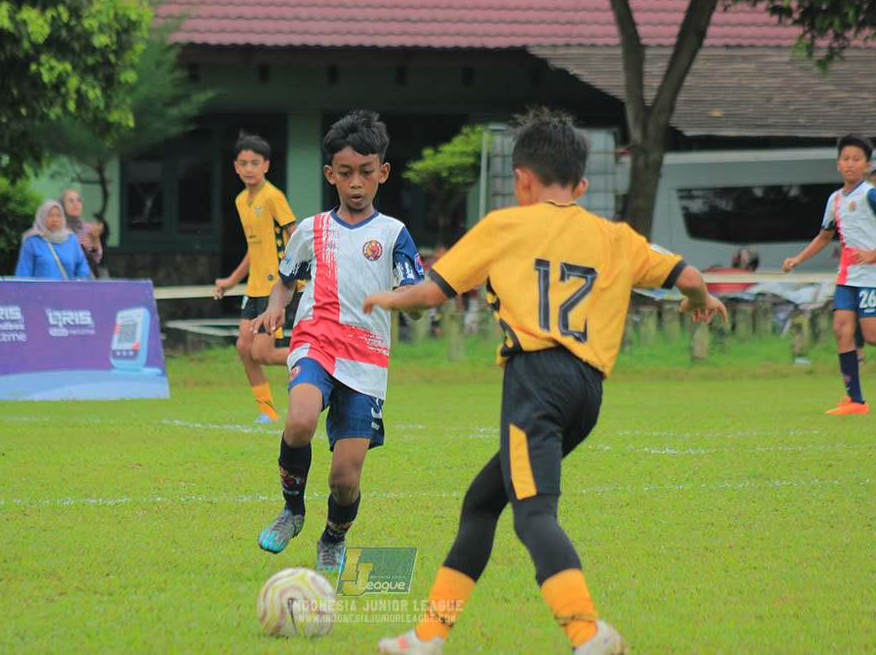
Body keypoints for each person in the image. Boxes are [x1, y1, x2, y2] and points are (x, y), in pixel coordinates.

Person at [363, 107, 727, 655]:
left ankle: (588, 633)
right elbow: (691, 277)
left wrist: (386, 298)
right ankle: (428, 636)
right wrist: (699, 302)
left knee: (534, 515)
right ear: (580, 184)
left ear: (521, 180)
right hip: (587, 392)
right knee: (482, 503)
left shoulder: (504, 225)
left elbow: (430, 294)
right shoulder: (614, 235)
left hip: (535, 382)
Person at [252, 110, 425, 573]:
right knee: (300, 420)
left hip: (367, 361)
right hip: (316, 342)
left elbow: (415, 291)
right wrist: (276, 306)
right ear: (330, 174)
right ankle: (292, 511)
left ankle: (333, 535)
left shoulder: (393, 235)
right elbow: (285, 279)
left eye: (366, 173)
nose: (356, 183)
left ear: (382, 174)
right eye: (345, 173)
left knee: (345, 478)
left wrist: (407, 299)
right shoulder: (310, 230)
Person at [784, 134, 876, 415]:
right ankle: (856, 401)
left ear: (867, 165)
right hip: (847, 278)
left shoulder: (870, 195)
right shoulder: (835, 199)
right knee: (841, 331)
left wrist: (873, 254)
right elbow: (825, 237)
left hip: (872, 276)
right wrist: (798, 259)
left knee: (872, 336)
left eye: (856, 159)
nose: (850, 164)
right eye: (846, 159)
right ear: (838, 164)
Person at [214, 132, 298, 424]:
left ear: (266, 165)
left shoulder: (273, 196)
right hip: (253, 287)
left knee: (262, 353)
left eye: (255, 163)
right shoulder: (241, 201)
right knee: (244, 349)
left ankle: (320, 358)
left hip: (275, 287)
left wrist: (297, 273)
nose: (249, 168)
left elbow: (295, 234)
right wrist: (230, 281)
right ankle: (268, 411)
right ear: (235, 167)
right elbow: (255, 249)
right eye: (243, 163)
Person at [15, 200, 91, 280]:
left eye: (58, 215)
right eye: (50, 215)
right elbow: (23, 274)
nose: (54, 219)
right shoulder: (32, 241)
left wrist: (81, 280)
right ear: (42, 217)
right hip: (40, 291)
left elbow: (82, 267)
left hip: (65, 291)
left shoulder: (71, 239)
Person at [59, 189, 104, 274]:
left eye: (79, 200)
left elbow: (95, 260)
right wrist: (89, 239)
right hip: (63, 275)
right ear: (62, 205)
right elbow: (70, 257)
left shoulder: (88, 228)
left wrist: (95, 240)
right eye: (71, 200)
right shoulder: (59, 229)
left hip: (84, 277)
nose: (76, 204)